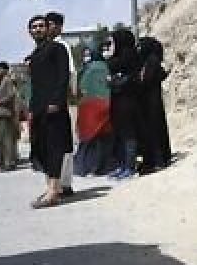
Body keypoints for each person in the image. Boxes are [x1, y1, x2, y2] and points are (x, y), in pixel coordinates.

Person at [26, 16, 72, 208]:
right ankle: (51, 188)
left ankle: (54, 190)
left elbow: (63, 76)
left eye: (41, 26)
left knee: (54, 148)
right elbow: (35, 86)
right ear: (29, 32)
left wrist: (56, 101)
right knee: (41, 148)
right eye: (34, 27)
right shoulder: (34, 55)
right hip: (38, 109)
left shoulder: (57, 48)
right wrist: (31, 109)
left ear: (48, 28)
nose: (38, 29)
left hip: (53, 107)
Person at [43, 11, 76, 196]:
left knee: (63, 142)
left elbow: (70, 74)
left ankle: (64, 183)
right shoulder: (46, 46)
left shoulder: (62, 46)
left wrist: (66, 97)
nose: (48, 28)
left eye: (51, 24)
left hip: (59, 101)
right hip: (49, 101)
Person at [106, 29, 142, 179]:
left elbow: (129, 80)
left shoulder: (129, 57)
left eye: (113, 42)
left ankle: (129, 167)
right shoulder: (118, 58)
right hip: (118, 101)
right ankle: (122, 165)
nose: (111, 46)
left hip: (128, 102)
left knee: (128, 134)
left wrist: (115, 81)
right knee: (120, 134)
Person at [73, 48, 114, 177]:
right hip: (106, 105)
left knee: (87, 141)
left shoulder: (85, 70)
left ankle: (84, 167)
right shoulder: (108, 67)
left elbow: (78, 90)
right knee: (104, 139)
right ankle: (103, 167)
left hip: (88, 108)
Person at [137, 36, 172, 173]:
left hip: (152, 102)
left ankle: (158, 161)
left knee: (154, 131)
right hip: (150, 101)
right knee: (155, 131)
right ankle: (159, 158)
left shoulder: (152, 61)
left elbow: (148, 80)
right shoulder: (148, 60)